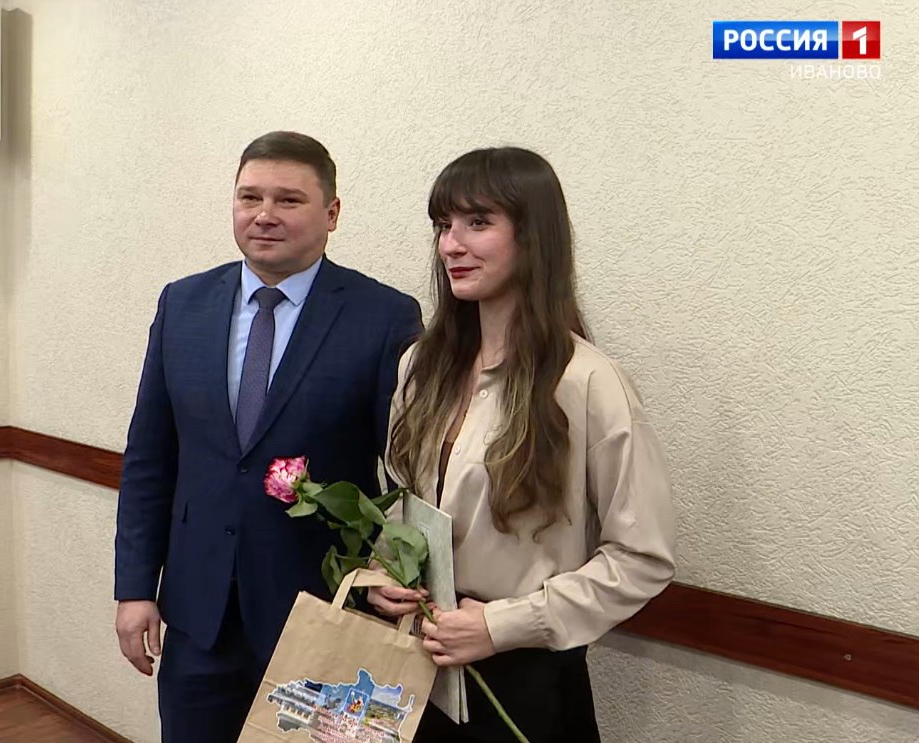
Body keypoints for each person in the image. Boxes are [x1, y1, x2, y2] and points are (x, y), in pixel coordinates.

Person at [114, 131, 423, 743]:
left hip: (322, 613)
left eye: (289, 200)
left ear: (331, 213)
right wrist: (135, 588)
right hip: (198, 613)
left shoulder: (384, 316)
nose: (264, 214)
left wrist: (395, 572)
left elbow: (406, 476)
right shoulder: (183, 304)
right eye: (249, 196)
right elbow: (150, 458)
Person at [368, 146, 676, 742]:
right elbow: (404, 506)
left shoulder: (587, 383)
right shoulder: (420, 367)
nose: (451, 245)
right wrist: (386, 569)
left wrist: (502, 625)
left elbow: (643, 557)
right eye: (443, 225)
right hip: (419, 667)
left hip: (525, 683)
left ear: (533, 237)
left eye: (477, 223)